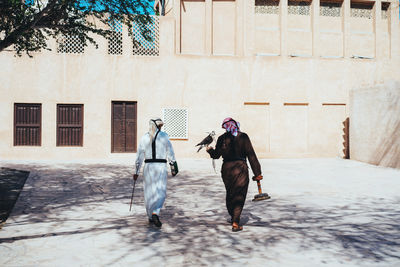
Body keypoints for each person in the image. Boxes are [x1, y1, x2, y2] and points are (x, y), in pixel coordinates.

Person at [206, 117, 263, 232]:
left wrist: (210, 151)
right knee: (239, 194)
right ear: (236, 125)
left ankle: (233, 216)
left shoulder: (222, 138)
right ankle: (236, 221)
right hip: (240, 168)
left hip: (226, 169)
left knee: (230, 193)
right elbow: (251, 155)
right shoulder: (243, 137)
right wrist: (257, 173)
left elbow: (216, 155)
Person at [134, 118, 176, 227]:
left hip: (148, 167)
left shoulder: (144, 137)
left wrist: (136, 171)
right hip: (161, 166)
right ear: (159, 126)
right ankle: (155, 212)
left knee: (149, 191)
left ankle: (150, 216)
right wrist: (173, 165)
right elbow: (170, 152)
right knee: (160, 190)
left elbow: (139, 156)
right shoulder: (164, 136)